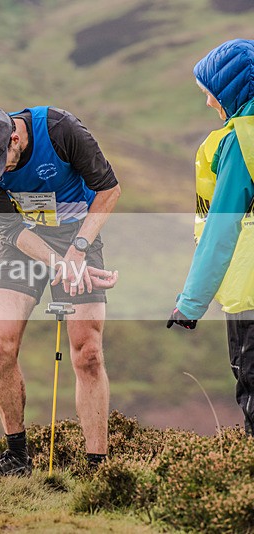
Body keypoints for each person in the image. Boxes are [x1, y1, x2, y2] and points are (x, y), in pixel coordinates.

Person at [0, 105, 121, 477]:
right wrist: (58, 262)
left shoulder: (62, 131)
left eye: (3, 165)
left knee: (88, 352)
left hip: (80, 233)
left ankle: (98, 467)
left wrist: (77, 252)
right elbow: (12, 230)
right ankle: (16, 457)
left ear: (15, 138)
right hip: (23, 241)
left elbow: (109, 191)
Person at [168, 39, 254, 435]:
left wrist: (190, 304)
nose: (208, 103)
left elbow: (222, 228)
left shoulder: (243, 141)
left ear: (234, 91)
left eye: (211, 93)